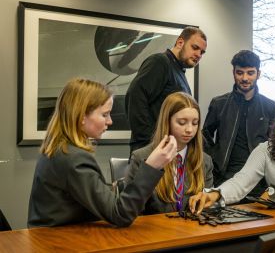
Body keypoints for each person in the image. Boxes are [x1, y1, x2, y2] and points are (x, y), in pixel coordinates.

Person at [28, 78, 178, 228]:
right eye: (105, 114)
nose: (110, 121)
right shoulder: (74, 158)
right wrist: (151, 167)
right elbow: (120, 214)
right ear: (81, 117)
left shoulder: (59, 149)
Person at [202, 50, 275, 200]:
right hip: (224, 179)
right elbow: (205, 135)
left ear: (258, 73)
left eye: (250, 73)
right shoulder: (219, 103)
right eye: (240, 73)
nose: (245, 78)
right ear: (233, 73)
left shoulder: (270, 107)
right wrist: (213, 159)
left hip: (258, 182)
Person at [126, 92, 213, 214]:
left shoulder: (205, 161)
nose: (189, 130)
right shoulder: (141, 157)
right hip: (155, 230)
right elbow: (132, 209)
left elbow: (206, 208)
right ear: (167, 121)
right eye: (182, 123)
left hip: (192, 230)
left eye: (195, 123)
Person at [125, 26, 207, 152]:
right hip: (152, 150)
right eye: (195, 48)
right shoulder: (160, 62)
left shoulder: (179, 72)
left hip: (170, 150)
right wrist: (152, 141)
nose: (198, 55)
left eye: (202, 52)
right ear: (180, 42)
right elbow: (135, 97)